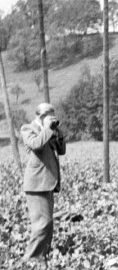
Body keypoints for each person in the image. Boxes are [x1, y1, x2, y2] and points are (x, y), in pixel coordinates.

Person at [20, 102, 66, 260]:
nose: (52, 119)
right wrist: (47, 128)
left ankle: (41, 257)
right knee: (42, 223)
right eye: (49, 115)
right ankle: (31, 259)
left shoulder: (50, 131)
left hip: (47, 182)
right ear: (40, 116)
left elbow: (62, 151)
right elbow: (36, 145)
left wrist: (58, 134)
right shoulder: (27, 129)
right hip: (36, 183)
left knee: (48, 224)